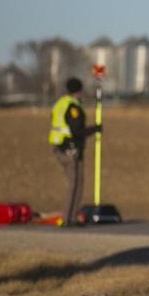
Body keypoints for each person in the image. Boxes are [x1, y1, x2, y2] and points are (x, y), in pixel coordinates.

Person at [48, 77, 101, 226]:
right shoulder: (73, 107)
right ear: (79, 91)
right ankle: (69, 218)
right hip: (69, 147)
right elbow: (77, 130)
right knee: (75, 183)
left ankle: (71, 217)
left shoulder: (60, 103)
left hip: (59, 145)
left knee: (76, 182)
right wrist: (95, 129)